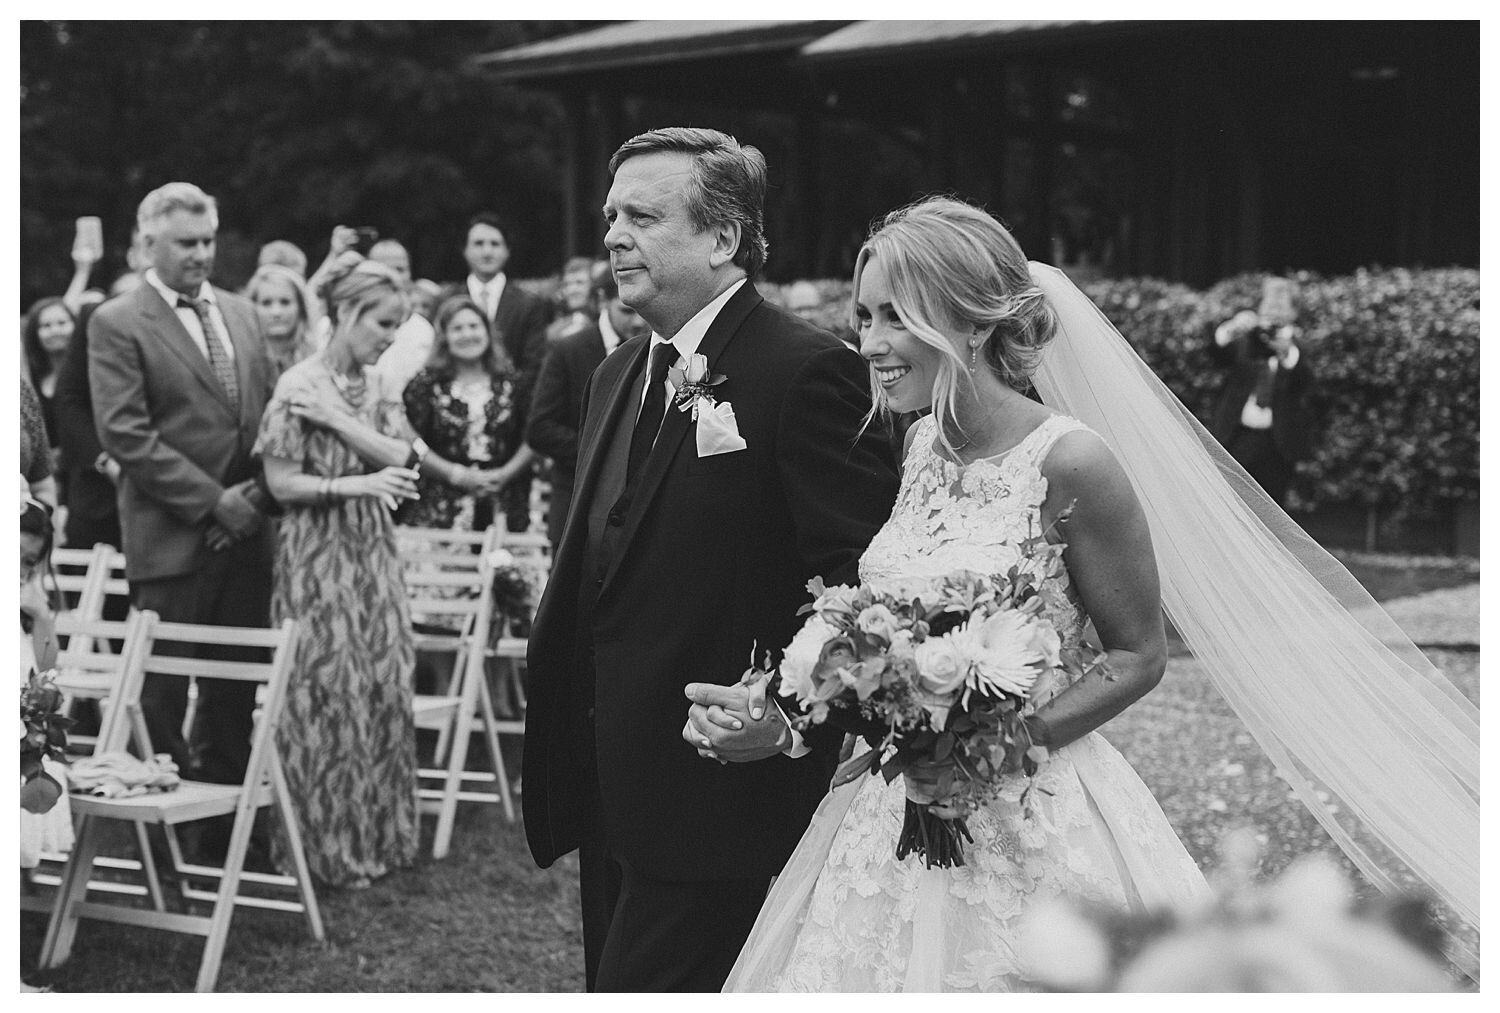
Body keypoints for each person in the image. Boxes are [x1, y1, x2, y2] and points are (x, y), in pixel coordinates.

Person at [711, 197, 1479, 989]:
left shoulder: (1071, 462)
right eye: (864, 316)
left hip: (1031, 810)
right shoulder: (918, 447)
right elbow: (888, 627)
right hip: (889, 811)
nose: (869, 343)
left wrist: (989, 750)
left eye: (896, 318)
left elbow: (1137, 654)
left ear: (972, 323)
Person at [521, 126, 900, 992]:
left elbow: (862, 590)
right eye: (611, 214)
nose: (613, 233)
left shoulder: (807, 373)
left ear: (725, 239)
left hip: (719, 799)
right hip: (609, 784)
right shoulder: (617, 374)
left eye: (644, 216)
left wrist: (788, 716)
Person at [88, 182, 276, 824]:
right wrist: (213, 502)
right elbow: (125, 432)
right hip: (170, 539)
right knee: (162, 698)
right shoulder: (117, 321)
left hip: (249, 533)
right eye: (186, 243)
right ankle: (160, 844)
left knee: (234, 692)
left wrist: (252, 496)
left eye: (208, 241)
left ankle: (224, 834)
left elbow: (269, 415)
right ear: (147, 244)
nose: (202, 254)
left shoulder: (242, 312)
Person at [254, 257, 428, 889]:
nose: (389, 336)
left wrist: (334, 420)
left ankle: (381, 838)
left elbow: (405, 461)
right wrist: (354, 482)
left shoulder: (378, 384)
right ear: (349, 314)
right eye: (382, 323)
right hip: (316, 555)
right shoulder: (296, 382)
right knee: (325, 691)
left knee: (380, 682)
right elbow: (280, 482)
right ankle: (324, 849)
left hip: (371, 553)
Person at [527, 265, 646, 549]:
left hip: (636, 514)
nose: (639, 321)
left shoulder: (656, 345)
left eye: (643, 309)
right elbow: (540, 428)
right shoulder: (568, 350)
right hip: (575, 505)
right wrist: (607, 451)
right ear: (603, 300)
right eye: (627, 310)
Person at [397, 295, 535, 532]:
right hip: (439, 506)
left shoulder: (514, 382)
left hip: (504, 503)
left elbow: (533, 435)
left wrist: (504, 474)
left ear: (488, 332)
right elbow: (410, 439)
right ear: (444, 337)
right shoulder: (424, 385)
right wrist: (454, 474)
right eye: (457, 328)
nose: (467, 334)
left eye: (474, 326)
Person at [1208, 276, 1313, 506]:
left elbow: (1304, 382)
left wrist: (1287, 353)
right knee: (1227, 505)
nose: (1273, 312)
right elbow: (1217, 356)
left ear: (1293, 312)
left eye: (1280, 306)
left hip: (1276, 446)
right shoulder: (1245, 337)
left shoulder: (1300, 346)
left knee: (1271, 512)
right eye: (1268, 305)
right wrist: (1231, 328)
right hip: (1236, 436)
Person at [245, 262, 320, 377]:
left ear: (301, 308)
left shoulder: (318, 359)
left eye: (285, 302)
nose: (276, 312)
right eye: (266, 303)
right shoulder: (242, 363)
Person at [22, 297, 77, 450]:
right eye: (46, 326)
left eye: (62, 323)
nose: (55, 331)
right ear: (35, 333)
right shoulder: (30, 378)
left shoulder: (89, 372)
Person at [544, 256, 598, 343]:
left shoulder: (609, 320)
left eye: (579, 282)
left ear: (594, 285)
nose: (572, 290)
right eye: (567, 284)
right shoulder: (554, 331)